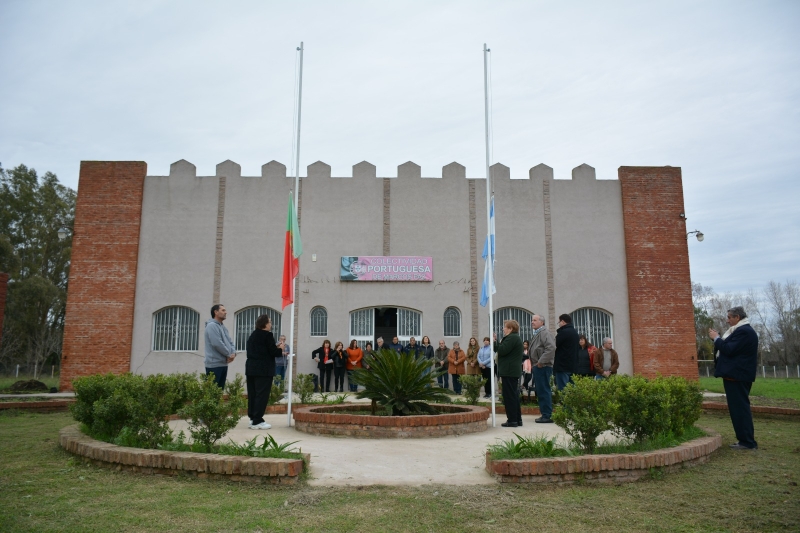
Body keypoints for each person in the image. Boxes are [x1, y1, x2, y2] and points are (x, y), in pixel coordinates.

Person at [710, 306, 759, 450]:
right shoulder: (741, 331)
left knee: (740, 409)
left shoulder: (744, 331)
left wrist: (716, 338)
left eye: (729, 317)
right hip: (736, 376)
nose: (727, 320)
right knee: (738, 408)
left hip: (738, 376)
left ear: (737, 317)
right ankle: (744, 440)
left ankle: (747, 442)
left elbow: (728, 349)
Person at [245, 314, 283, 430]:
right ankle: (258, 420)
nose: (271, 324)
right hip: (263, 370)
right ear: (265, 324)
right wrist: (280, 348)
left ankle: (252, 418)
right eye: (270, 322)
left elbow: (260, 350)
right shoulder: (267, 335)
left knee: (253, 394)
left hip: (251, 368)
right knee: (262, 395)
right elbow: (273, 352)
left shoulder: (253, 335)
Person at [494, 319, 524, 427]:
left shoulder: (512, 338)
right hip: (511, 371)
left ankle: (512, 420)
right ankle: (517, 419)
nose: (503, 329)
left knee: (509, 396)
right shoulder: (514, 337)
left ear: (510, 329)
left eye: (505, 327)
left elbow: (502, 350)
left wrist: (494, 342)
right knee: (513, 395)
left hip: (509, 371)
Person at [529, 314, 556, 423]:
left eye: (535, 320)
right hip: (538, 366)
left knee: (544, 390)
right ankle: (545, 413)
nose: (532, 322)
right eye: (532, 320)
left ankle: (547, 415)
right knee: (541, 390)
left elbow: (551, 348)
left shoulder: (545, 333)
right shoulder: (538, 333)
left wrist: (541, 362)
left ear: (542, 322)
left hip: (543, 366)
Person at [204, 304, 236, 389]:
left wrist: (233, 353)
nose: (226, 312)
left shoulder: (222, 327)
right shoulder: (212, 326)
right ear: (216, 312)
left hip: (223, 363)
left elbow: (230, 341)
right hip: (214, 365)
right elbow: (217, 343)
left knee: (219, 392)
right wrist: (229, 354)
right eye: (223, 310)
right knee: (213, 393)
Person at [554, 313, 579, 391]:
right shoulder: (575, 332)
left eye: (559, 322)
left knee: (563, 390)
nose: (559, 324)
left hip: (562, 365)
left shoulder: (563, 332)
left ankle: (565, 404)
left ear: (563, 321)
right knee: (571, 391)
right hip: (572, 365)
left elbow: (554, 345)